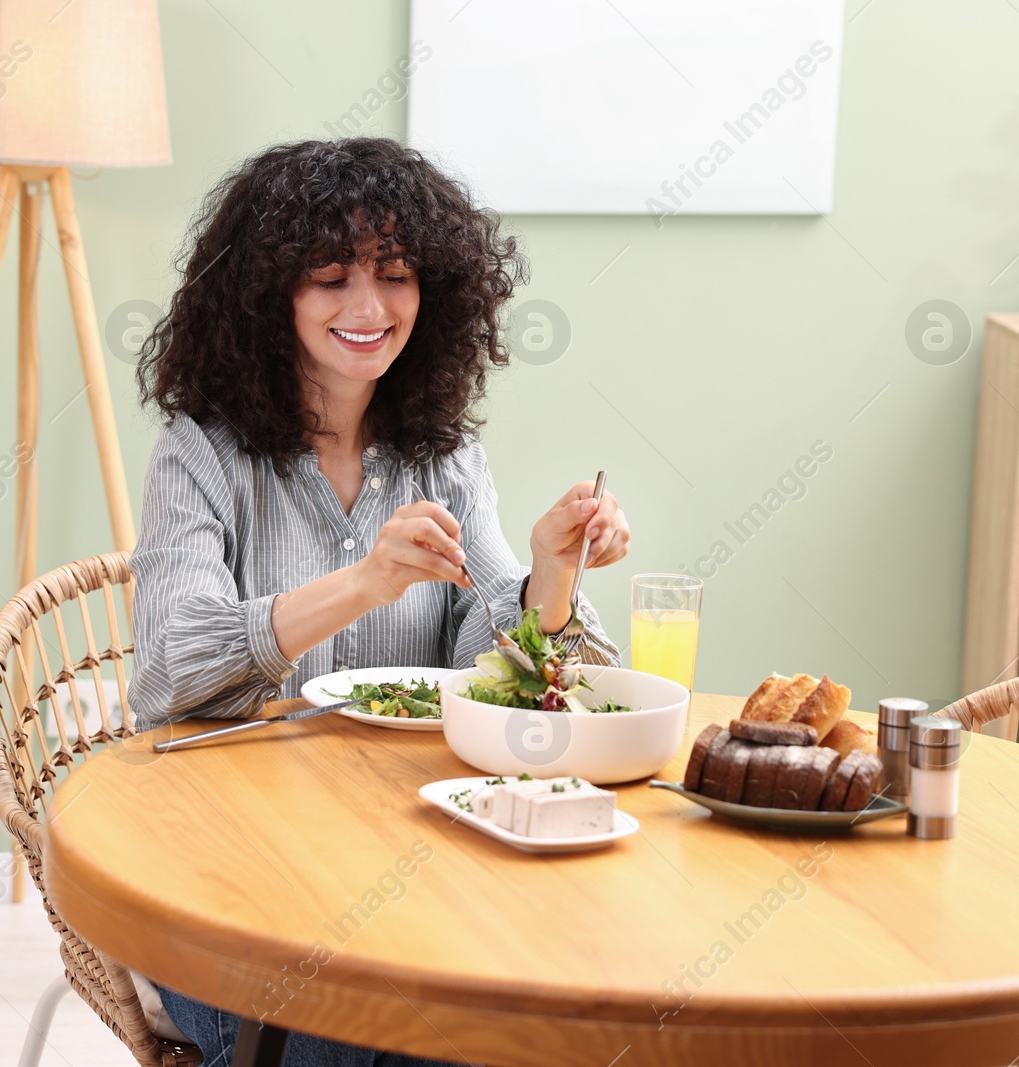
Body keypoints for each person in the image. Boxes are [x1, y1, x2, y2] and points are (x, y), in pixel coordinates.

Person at [126, 137, 631, 1066]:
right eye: (329, 279)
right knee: (355, 1036)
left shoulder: (442, 455)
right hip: (226, 885)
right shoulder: (200, 454)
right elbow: (169, 668)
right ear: (266, 295)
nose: (369, 308)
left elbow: (509, 664)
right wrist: (365, 582)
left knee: (521, 1010)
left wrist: (549, 575)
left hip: (407, 864)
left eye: (395, 275)